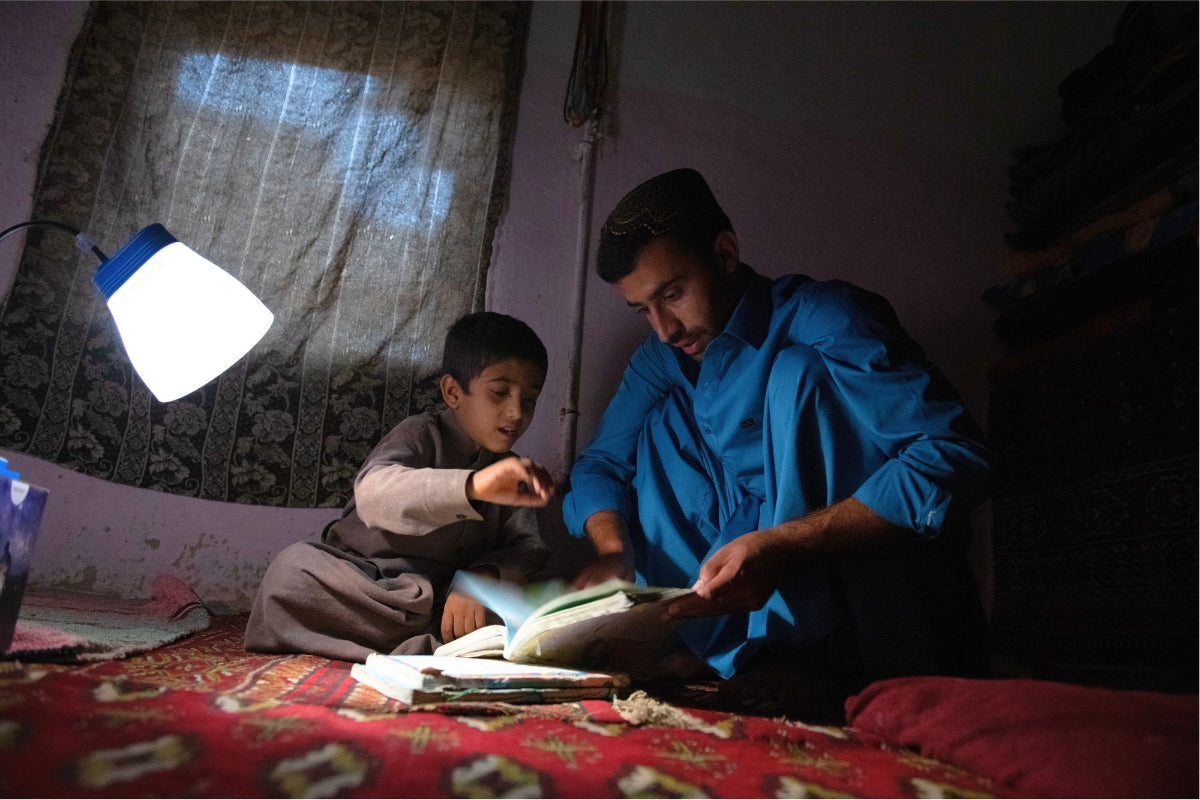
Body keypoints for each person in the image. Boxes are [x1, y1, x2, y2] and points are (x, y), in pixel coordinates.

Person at [563, 168, 991, 712]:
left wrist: (787, 542)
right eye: (643, 310)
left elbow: (956, 454)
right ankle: (730, 650)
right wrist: (613, 552)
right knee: (660, 426)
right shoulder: (664, 357)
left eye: (673, 294)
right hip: (741, 592)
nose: (664, 328)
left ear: (724, 253)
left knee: (796, 375)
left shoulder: (825, 316)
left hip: (862, 593)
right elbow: (599, 465)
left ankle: (809, 653)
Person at [245, 311, 554, 662]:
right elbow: (374, 494)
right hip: (370, 587)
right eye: (499, 392)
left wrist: (481, 578)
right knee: (291, 574)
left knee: (550, 593)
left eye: (529, 399)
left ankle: (442, 642)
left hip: (449, 599)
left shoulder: (510, 470)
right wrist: (472, 486)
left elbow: (528, 549)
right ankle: (436, 648)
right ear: (453, 392)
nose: (516, 412)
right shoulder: (421, 433)